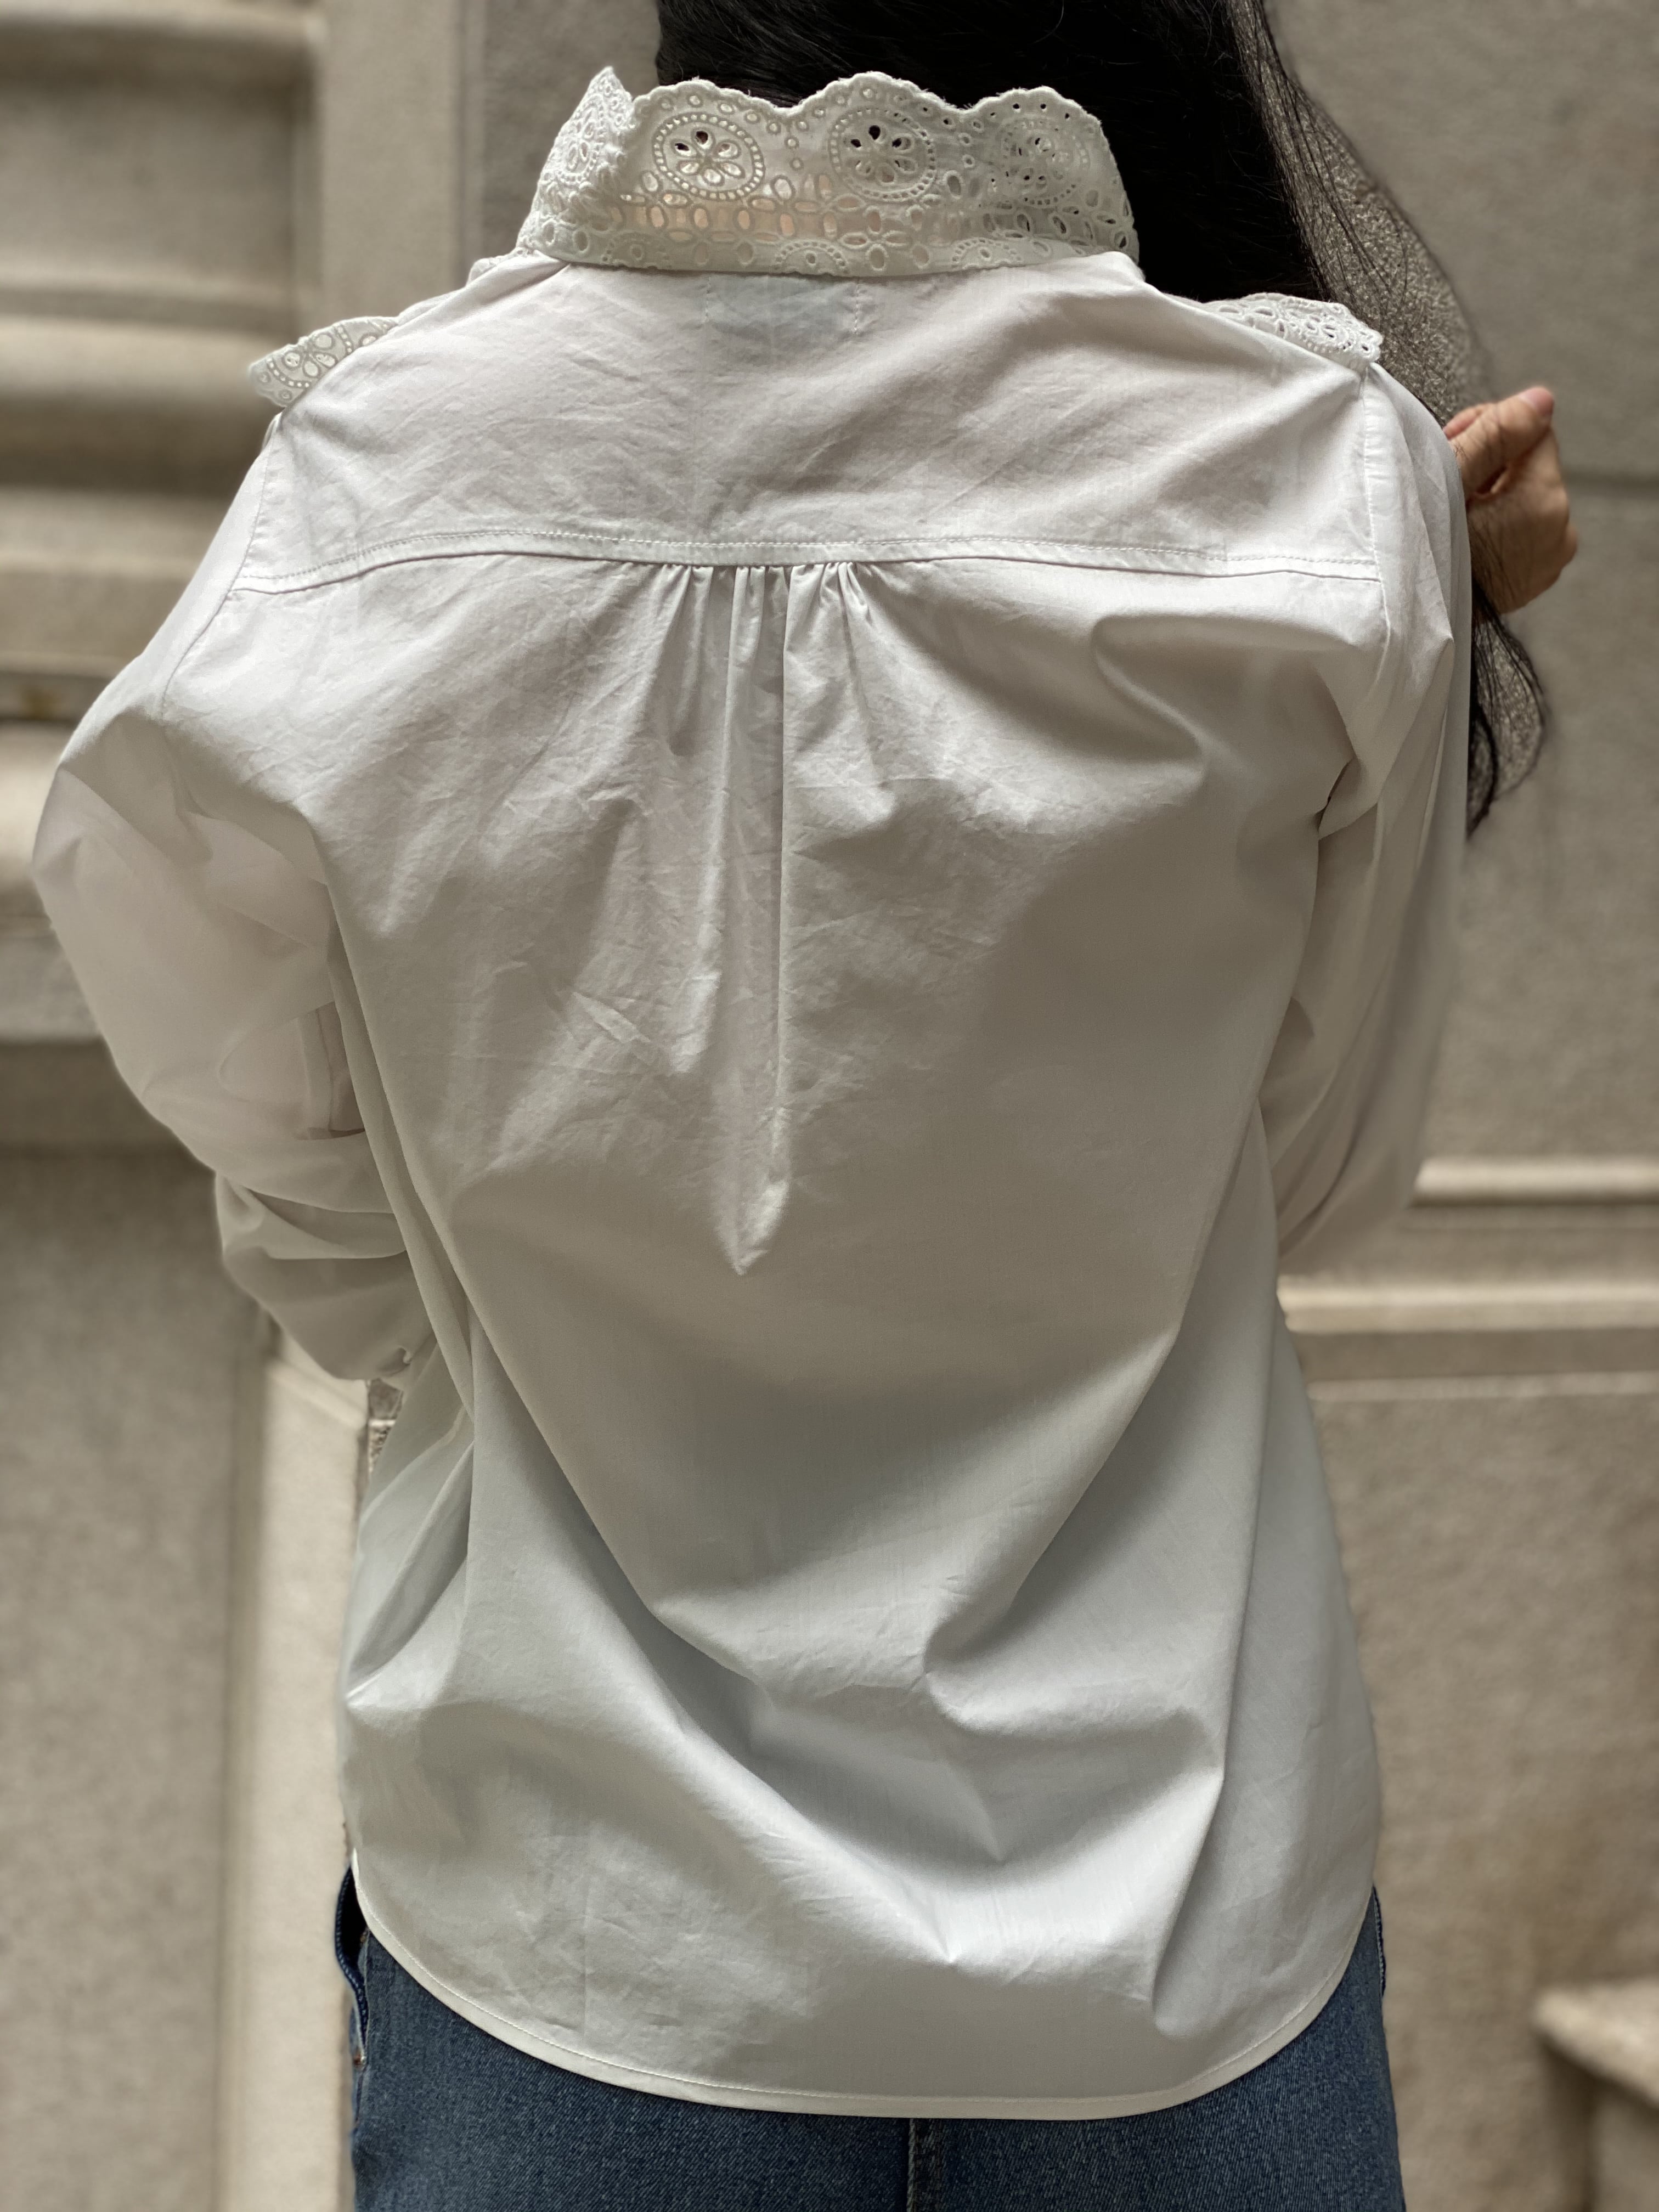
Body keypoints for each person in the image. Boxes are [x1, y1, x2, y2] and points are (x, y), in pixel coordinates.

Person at [35, 2, 1575, 2204]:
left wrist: (516, 1315)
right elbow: (1317, 1174)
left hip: (582, 1922)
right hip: (1171, 1931)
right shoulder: (1309, 472)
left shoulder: (376, 473)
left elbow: (277, 1137)